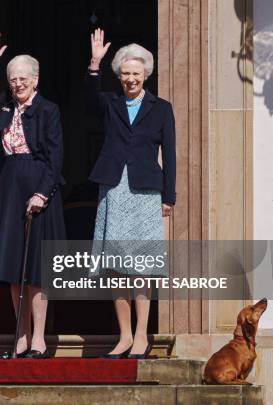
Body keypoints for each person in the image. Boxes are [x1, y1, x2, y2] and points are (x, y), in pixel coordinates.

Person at [0, 31, 66, 359]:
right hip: (10, 184)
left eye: (23, 78)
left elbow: (56, 158)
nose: (17, 84)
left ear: (35, 80)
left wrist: (42, 193)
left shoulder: (48, 110)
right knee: (13, 265)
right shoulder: (4, 106)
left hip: (40, 187)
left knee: (37, 268)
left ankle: (39, 338)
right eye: (12, 79)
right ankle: (21, 338)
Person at [86, 29, 176, 359]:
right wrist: (94, 63)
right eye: (125, 73)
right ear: (119, 76)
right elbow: (89, 99)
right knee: (115, 266)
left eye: (136, 73)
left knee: (141, 267)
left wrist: (170, 196)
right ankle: (123, 336)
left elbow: (171, 152)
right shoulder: (111, 103)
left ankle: (141, 336)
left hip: (146, 191)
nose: (130, 79)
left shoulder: (161, 108)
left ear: (146, 74)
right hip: (114, 189)